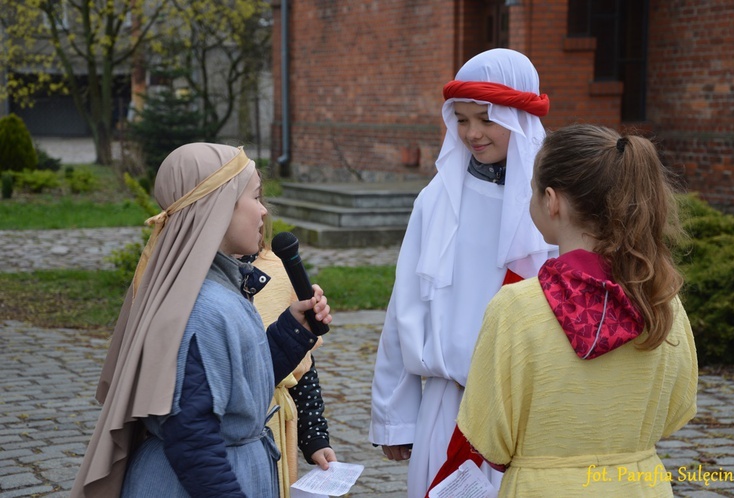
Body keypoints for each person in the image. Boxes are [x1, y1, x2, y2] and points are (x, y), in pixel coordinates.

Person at [70, 143, 333, 497]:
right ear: (218, 208)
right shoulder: (201, 308)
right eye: (255, 198)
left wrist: (293, 329)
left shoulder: (213, 288)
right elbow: (193, 439)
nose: (264, 212)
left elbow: (238, 388)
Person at [456, 124, 698, 496]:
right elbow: (677, 409)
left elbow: (491, 438)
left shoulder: (517, 309)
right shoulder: (662, 300)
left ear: (551, 200)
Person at [369, 48, 558, 498]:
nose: (472, 133)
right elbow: (404, 308)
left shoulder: (554, 206)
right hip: (449, 409)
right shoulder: (436, 201)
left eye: (486, 120)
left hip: (530, 412)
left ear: (519, 119)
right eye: (462, 119)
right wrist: (396, 417)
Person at [245, 220, 337, 497]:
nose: (261, 210)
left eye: (260, 197)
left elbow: (303, 369)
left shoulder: (279, 270)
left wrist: (315, 438)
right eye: (249, 198)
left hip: (275, 426)